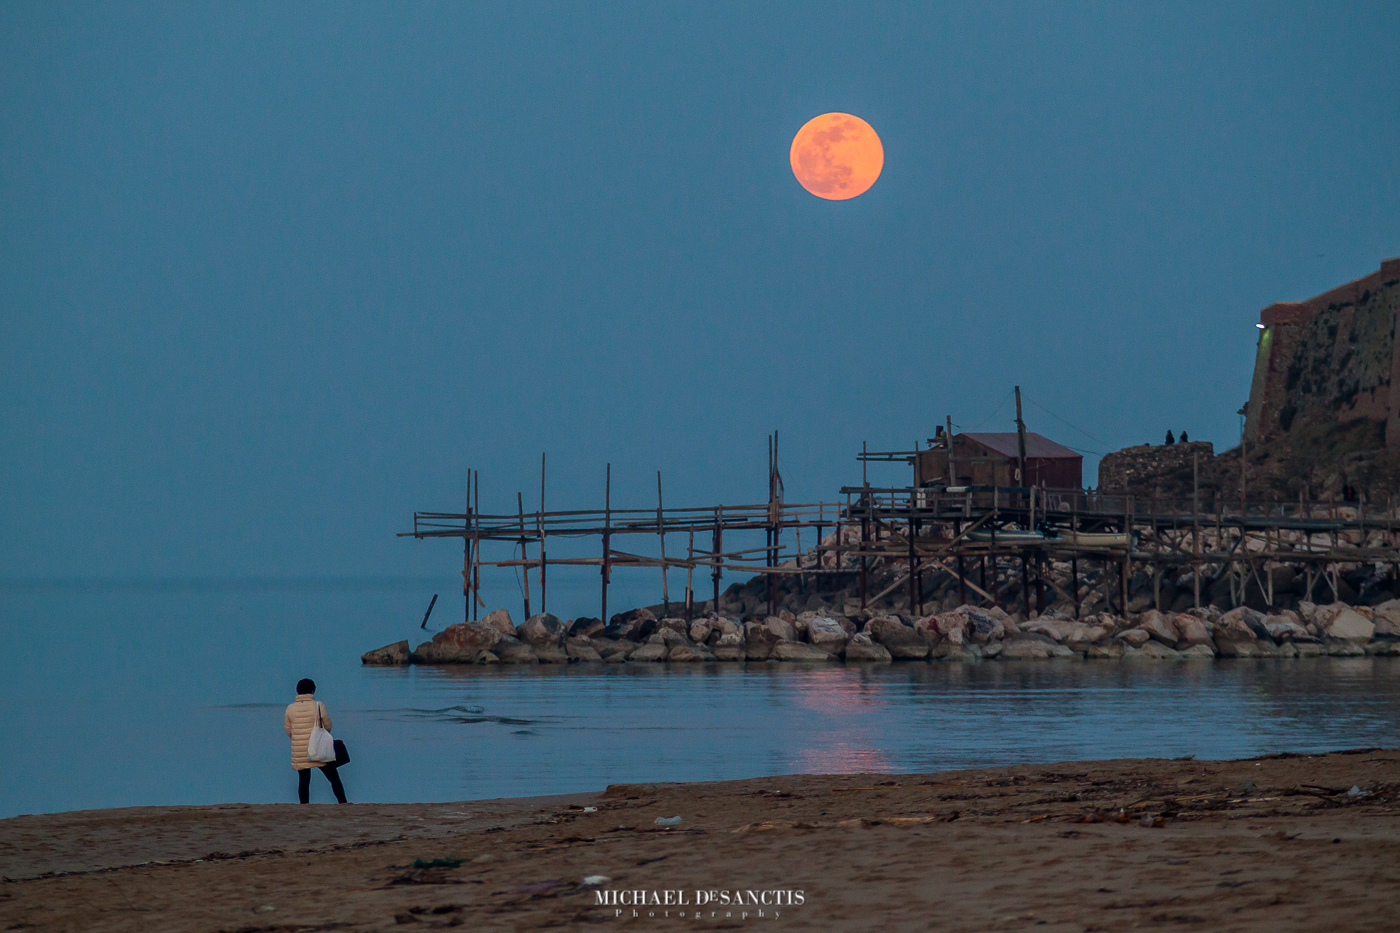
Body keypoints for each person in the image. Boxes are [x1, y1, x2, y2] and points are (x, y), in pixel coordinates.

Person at [284, 678, 347, 804]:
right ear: (313, 690)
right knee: (333, 777)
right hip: (319, 747)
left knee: (304, 780)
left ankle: (304, 805)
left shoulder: (290, 708)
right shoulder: (318, 706)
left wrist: (299, 738)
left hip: (300, 749)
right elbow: (327, 725)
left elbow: (289, 730)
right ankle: (343, 802)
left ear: (298, 691)